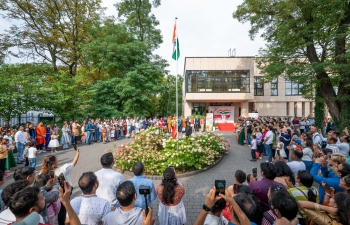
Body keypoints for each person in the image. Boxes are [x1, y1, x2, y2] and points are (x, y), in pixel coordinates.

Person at [40, 150, 80, 225]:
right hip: (64, 191)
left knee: (51, 207)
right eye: (56, 159)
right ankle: (61, 223)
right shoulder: (62, 170)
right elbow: (73, 163)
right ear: (54, 163)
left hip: (50, 193)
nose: (58, 160)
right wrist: (77, 154)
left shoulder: (42, 172)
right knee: (62, 209)